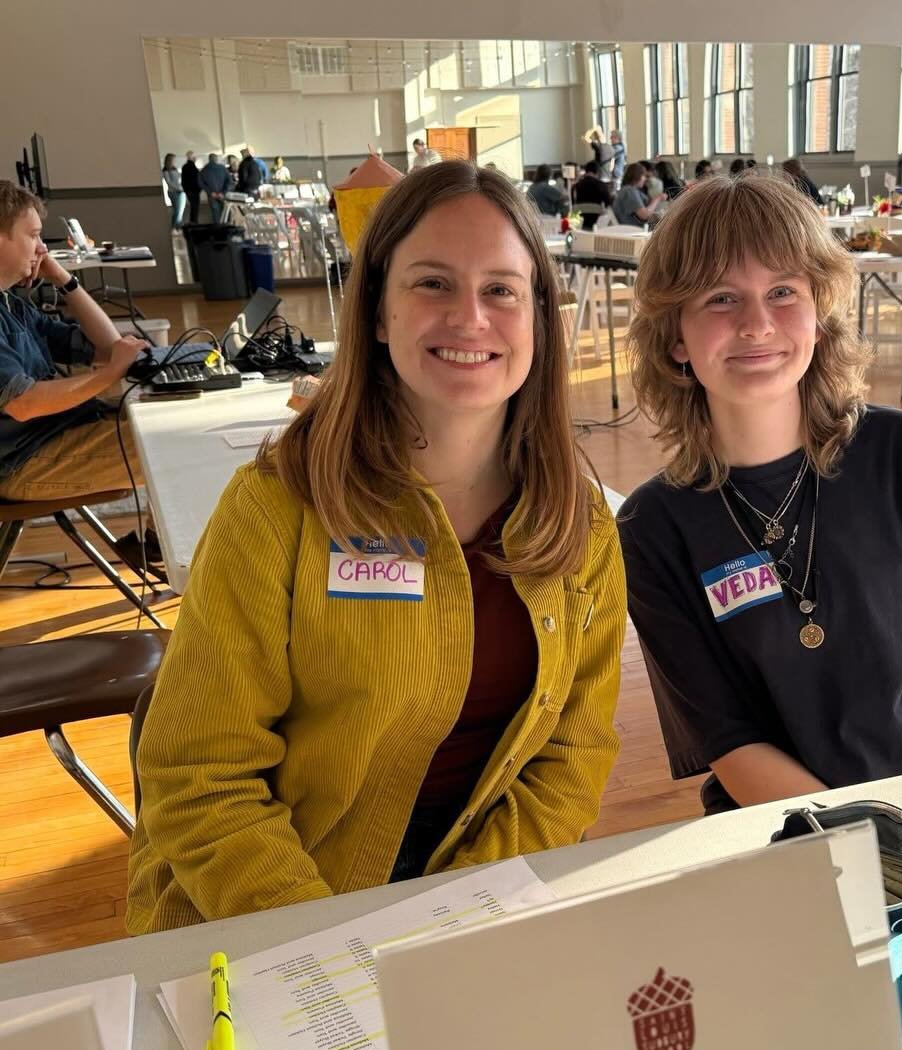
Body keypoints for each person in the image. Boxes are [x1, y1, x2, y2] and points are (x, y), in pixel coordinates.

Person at [126, 160, 625, 932]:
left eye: (501, 289)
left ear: (538, 319)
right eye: (432, 283)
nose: (470, 317)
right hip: (273, 900)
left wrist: (465, 917)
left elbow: (573, 753)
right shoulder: (278, 507)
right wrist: (327, 946)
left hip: (478, 891)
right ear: (379, 313)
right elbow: (199, 776)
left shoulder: (578, 523)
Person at [618, 173, 902, 814]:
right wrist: (878, 853)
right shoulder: (652, 526)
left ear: (818, 311)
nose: (757, 324)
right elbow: (730, 741)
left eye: (782, 292)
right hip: (784, 839)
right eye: (722, 299)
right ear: (676, 336)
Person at [0, 182, 149, 506]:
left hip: (54, 435)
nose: (42, 249)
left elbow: (108, 347)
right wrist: (109, 375)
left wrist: (64, 280)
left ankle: (156, 541)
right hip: (23, 462)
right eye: (33, 235)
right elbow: (24, 404)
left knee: (167, 418)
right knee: (170, 445)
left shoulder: (12, 306)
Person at [572, 160, 613, 229]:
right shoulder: (601, 185)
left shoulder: (575, 186)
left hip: (579, 223)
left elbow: (573, 204)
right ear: (597, 172)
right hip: (597, 222)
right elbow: (608, 203)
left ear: (586, 171)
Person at [199, 153, 229, 223]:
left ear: (209, 159)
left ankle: (217, 230)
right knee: (224, 214)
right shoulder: (222, 168)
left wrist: (210, 192)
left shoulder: (204, 169)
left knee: (215, 214)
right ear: (216, 159)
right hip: (222, 195)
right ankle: (225, 230)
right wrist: (223, 192)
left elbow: (200, 183)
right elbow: (229, 181)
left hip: (211, 195)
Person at [161, 154, 185, 231]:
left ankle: (178, 227)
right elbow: (169, 182)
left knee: (180, 211)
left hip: (181, 191)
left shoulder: (175, 169)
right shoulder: (165, 170)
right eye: (173, 160)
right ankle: (174, 227)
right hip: (173, 192)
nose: (175, 161)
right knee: (177, 211)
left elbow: (179, 179)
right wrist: (178, 188)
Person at [180, 150, 201, 225]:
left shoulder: (184, 167)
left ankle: (193, 223)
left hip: (188, 190)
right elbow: (197, 179)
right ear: (192, 157)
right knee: (195, 208)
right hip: (194, 190)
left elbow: (183, 180)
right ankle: (194, 223)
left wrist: (185, 190)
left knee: (193, 207)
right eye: (194, 157)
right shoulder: (193, 167)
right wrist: (199, 189)